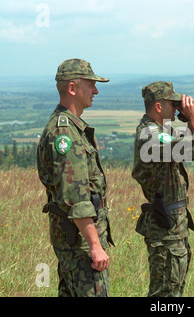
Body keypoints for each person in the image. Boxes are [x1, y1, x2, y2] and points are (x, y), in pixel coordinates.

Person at [36, 58, 114, 297]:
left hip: (75, 242)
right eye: (90, 84)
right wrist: (94, 245)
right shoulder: (65, 133)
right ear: (72, 88)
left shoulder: (70, 127)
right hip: (79, 245)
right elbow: (76, 197)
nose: (96, 90)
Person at [132, 81, 194, 297]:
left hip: (172, 224)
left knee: (173, 289)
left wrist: (187, 122)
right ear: (158, 107)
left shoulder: (160, 132)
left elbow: (185, 144)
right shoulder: (151, 136)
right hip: (166, 227)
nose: (177, 109)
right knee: (165, 293)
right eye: (172, 104)